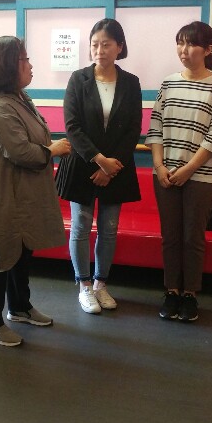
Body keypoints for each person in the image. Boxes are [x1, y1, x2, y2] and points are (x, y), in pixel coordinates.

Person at [0, 36, 70, 347]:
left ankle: (19, 307)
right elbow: (20, 151)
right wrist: (52, 150)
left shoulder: (19, 98)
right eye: (24, 60)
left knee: (20, 253)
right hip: (2, 196)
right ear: (7, 66)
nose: (30, 65)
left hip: (21, 195)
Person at [146, 20, 212, 323]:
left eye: (191, 44)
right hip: (165, 174)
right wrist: (159, 167)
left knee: (192, 237)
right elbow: (155, 127)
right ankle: (171, 291)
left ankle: (190, 294)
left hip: (201, 177)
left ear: (208, 49)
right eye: (180, 42)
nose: (184, 50)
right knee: (170, 236)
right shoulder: (168, 83)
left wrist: (188, 169)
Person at [56, 19, 142, 313]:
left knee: (109, 229)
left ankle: (100, 284)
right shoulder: (77, 79)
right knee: (80, 227)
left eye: (106, 44)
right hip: (83, 164)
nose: (99, 50)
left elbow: (133, 129)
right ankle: (83, 286)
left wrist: (110, 167)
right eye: (95, 44)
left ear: (119, 47)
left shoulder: (131, 82)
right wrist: (99, 160)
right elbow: (72, 127)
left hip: (116, 167)